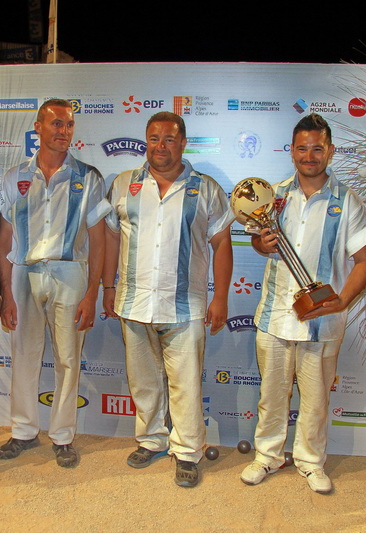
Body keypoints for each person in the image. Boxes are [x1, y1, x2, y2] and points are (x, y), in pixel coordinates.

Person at [239, 113, 366, 494]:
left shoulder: (348, 201)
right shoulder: (273, 196)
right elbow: (257, 241)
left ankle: (311, 461)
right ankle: (267, 456)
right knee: (271, 395)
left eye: (317, 149)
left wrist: (342, 301)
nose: (309, 156)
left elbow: (365, 260)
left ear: (330, 151)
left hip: (322, 320)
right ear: (292, 151)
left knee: (315, 400)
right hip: (275, 316)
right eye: (302, 148)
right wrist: (261, 243)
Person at [103, 111, 234, 488]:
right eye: (154, 138)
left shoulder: (206, 188)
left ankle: (188, 451)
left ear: (183, 143)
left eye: (170, 139)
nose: (161, 146)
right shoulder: (123, 184)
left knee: (186, 384)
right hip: (133, 302)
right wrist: (107, 287)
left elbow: (222, 242)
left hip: (185, 306)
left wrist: (221, 297)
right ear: (146, 141)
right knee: (143, 381)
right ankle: (151, 439)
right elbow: (111, 237)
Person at [0, 98, 110, 467]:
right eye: (56, 123)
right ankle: (23, 431)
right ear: (38, 127)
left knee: (68, 359)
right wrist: (5, 291)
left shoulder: (88, 177)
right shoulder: (14, 176)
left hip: (70, 272)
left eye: (69, 124)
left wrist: (92, 293)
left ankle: (62, 436)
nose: (63, 131)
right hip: (24, 273)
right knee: (24, 356)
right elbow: (4, 238)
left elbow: (99, 240)